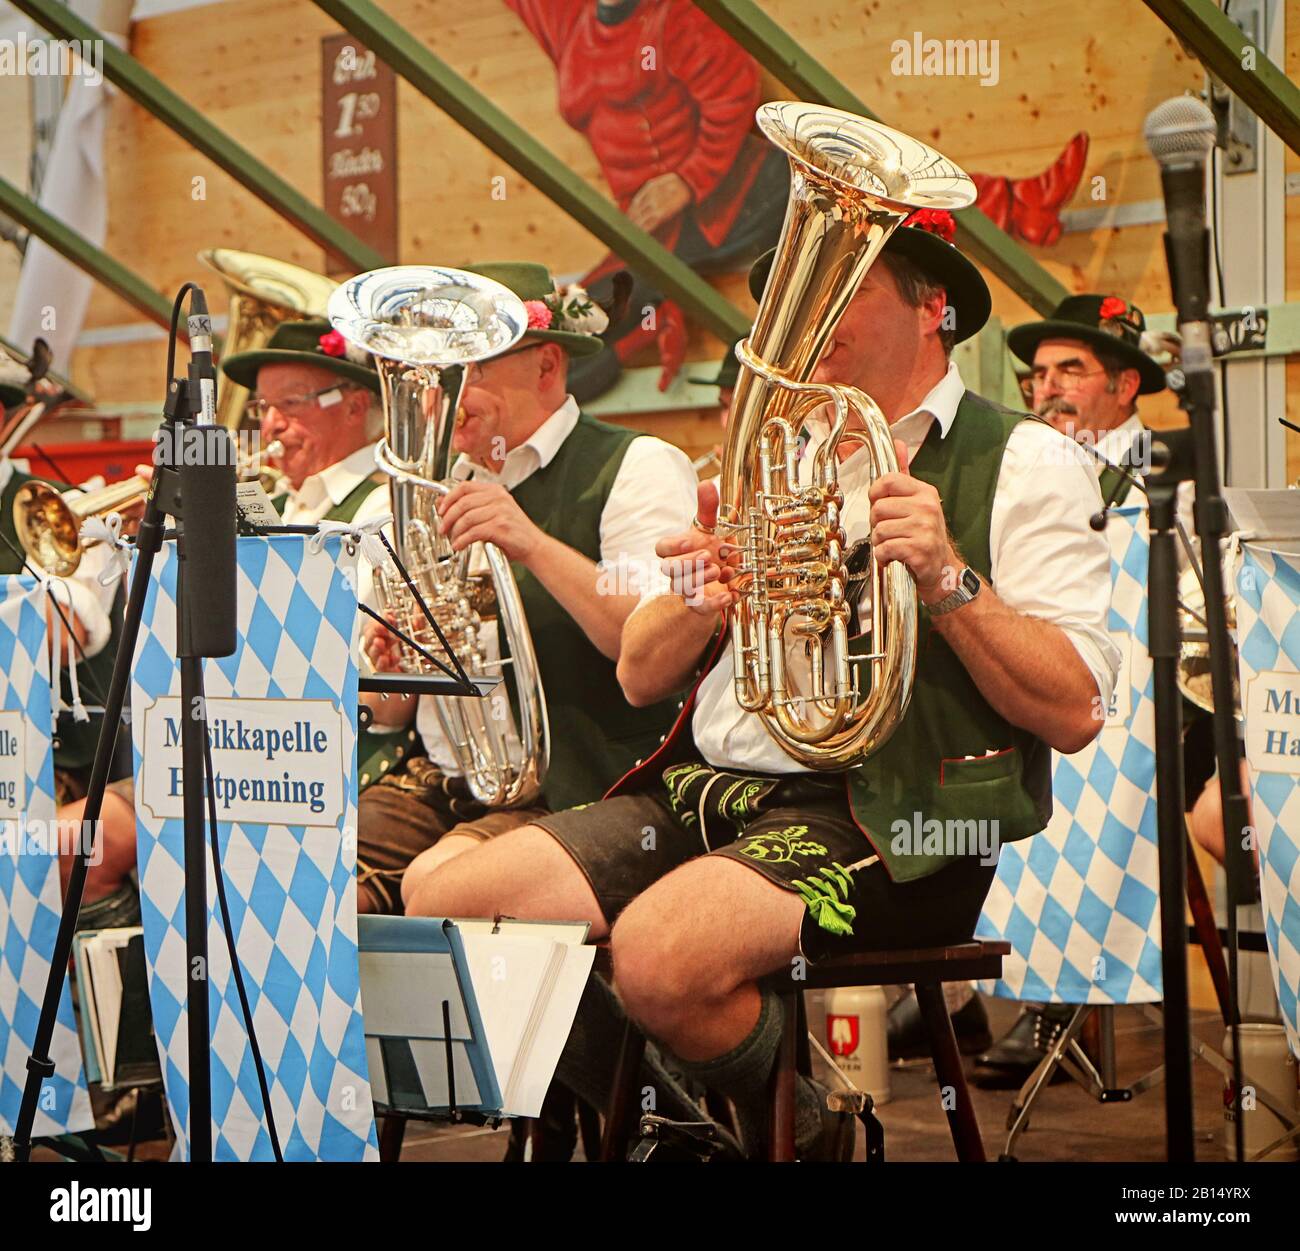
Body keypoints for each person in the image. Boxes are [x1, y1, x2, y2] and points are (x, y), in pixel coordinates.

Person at [406, 211, 1120, 1158]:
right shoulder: (771, 457)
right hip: (714, 788)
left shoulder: (1027, 460)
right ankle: (708, 1125)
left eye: (839, 289)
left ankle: (765, 1126)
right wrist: (704, 595)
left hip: (898, 818)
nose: (802, 318)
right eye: (792, 295)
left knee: (662, 954)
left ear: (933, 307)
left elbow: (1075, 709)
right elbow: (640, 671)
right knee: (445, 902)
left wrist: (949, 578)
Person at [350, 262, 698, 918]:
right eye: (435, 375)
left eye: (471, 368)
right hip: (445, 781)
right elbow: (389, 712)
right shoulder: (427, 492)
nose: (442, 396)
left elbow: (648, 645)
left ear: (546, 367)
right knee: (303, 876)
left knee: (438, 885)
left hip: (589, 783)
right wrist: (400, 660)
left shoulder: (636, 466)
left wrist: (532, 543)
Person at [55, 318, 394, 928]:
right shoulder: (278, 499)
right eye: (264, 407)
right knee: (65, 847)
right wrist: (164, 538)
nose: (270, 425)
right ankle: (143, 998)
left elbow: (352, 659)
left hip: (321, 764)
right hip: (234, 751)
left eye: (290, 404)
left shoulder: (379, 508)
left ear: (355, 405)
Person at [969, 294, 1201, 1089]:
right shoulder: (1020, 473)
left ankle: (1075, 998)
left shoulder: (1180, 475)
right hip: (1052, 694)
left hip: (1154, 714)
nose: (1048, 388)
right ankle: (1036, 995)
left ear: (1127, 384)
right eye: (1037, 374)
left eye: (1072, 368)